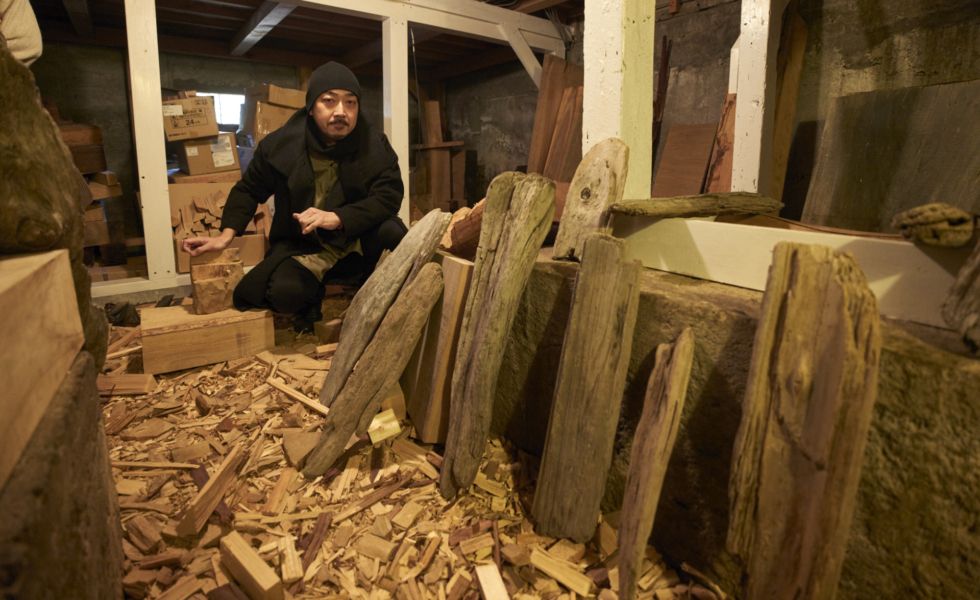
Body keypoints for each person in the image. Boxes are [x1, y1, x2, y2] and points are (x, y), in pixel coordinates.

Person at [182, 62, 407, 331]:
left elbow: (388, 196)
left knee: (393, 231)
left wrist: (338, 217)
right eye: (329, 101)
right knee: (285, 295)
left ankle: (368, 293)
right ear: (311, 108)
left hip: (354, 241)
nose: (341, 112)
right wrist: (225, 235)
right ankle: (311, 298)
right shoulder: (281, 145)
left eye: (350, 103)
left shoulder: (374, 144)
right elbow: (249, 189)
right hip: (305, 246)